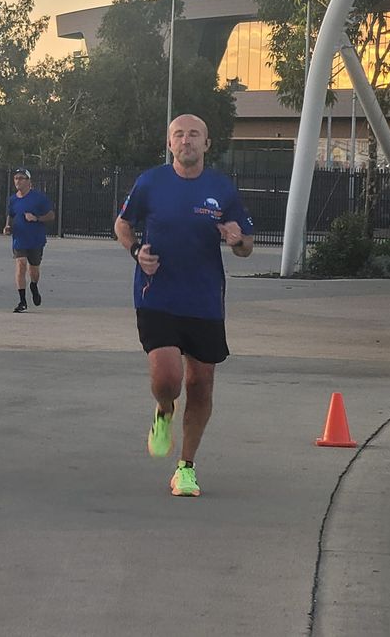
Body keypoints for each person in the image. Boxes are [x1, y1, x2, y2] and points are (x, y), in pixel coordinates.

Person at [114, 114, 253, 497]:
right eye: (179, 134)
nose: (186, 140)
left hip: (205, 299)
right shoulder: (151, 182)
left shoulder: (221, 189)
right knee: (168, 380)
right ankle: (163, 410)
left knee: (200, 383)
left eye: (194, 135)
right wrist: (135, 251)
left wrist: (237, 239)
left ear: (207, 144)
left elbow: (246, 247)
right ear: (170, 143)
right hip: (156, 294)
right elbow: (122, 224)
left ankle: (186, 468)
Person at [3, 168, 55, 312]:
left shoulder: (38, 198)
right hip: (19, 239)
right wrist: (7, 226)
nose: (17, 181)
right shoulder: (12, 199)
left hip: (35, 240)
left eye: (21, 178)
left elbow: (51, 215)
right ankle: (22, 301)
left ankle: (33, 285)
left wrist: (37, 218)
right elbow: (11, 215)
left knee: (34, 270)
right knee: (21, 265)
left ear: (28, 181)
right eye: (15, 178)